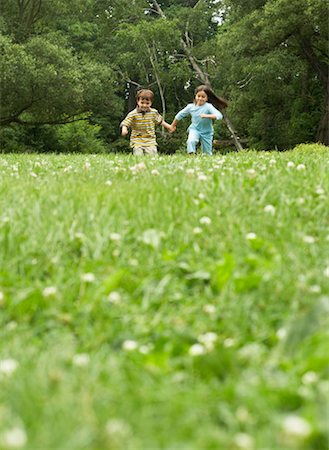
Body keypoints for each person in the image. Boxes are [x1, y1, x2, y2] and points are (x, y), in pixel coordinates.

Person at [169, 85, 228, 155]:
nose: (200, 98)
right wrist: (172, 126)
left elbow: (219, 115)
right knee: (191, 141)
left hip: (207, 132)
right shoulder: (190, 107)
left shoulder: (208, 106)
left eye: (203, 97)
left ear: (207, 98)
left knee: (207, 153)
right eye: (198, 96)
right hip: (194, 129)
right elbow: (179, 115)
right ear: (195, 96)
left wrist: (207, 116)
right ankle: (191, 156)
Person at [120, 89, 172, 156]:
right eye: (142, 103)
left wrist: (169, 127)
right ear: (137, 101)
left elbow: (160, 121)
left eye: (147, 103)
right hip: (137, 140)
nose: (144, 105)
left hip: (150, 141)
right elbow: (126, 123)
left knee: (152, 158)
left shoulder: (153, 113)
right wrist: (124, 129)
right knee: (138, 156)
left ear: (151, 103)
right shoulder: (133, 114)